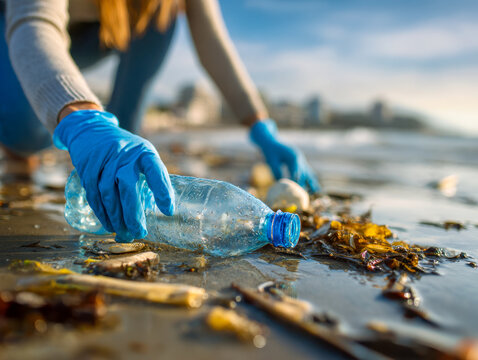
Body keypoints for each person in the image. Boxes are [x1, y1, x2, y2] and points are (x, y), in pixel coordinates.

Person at [0, 0, 320, 242]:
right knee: (27, 132)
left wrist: (260, 126)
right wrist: (82, 118)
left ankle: (118, 157)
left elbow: (213, 41)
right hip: (18, 32)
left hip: (99, 32)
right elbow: (34, 22)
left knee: (162, 13)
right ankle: (31, 147)